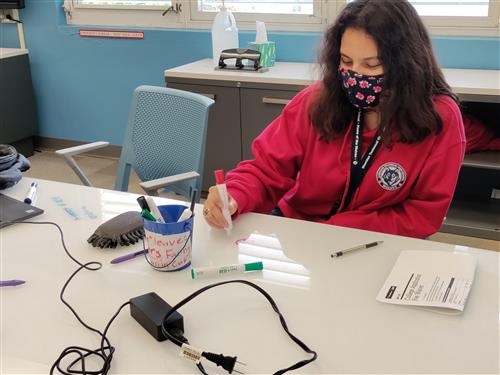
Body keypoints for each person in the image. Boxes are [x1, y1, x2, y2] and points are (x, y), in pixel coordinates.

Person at [202, 0, 465, 239]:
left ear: (407, 63)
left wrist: (339, 229)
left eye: (372, 65)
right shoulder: (316, 100)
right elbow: (266, 169)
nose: (356, 74)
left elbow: (423, 213)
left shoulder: (439, 117)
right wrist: (235, 195)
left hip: (376, 241)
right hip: (301, 230)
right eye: (346, 61)